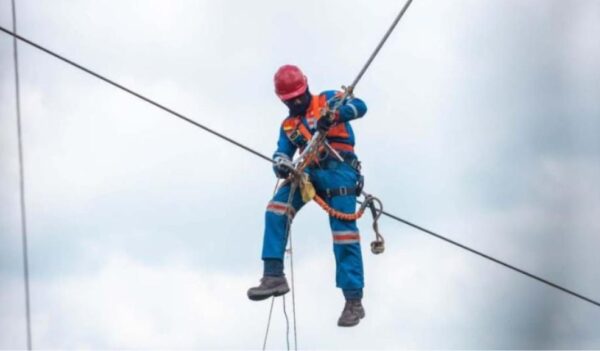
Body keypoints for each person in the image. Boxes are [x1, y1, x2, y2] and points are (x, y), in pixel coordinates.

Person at [247, 65, 368, 327]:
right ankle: (273, 275)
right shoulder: (290, 126)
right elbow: (281, 152)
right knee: (275, 210)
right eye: (291, 100)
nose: (297, 102)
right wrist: (280, 164)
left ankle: (353, 301)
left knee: (344, 234)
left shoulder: (328, 100)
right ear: (283, 100)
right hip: (308, 173)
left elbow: (361, 106)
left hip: (340, 170)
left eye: (300, 97)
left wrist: (336, 116)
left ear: (307, 86)